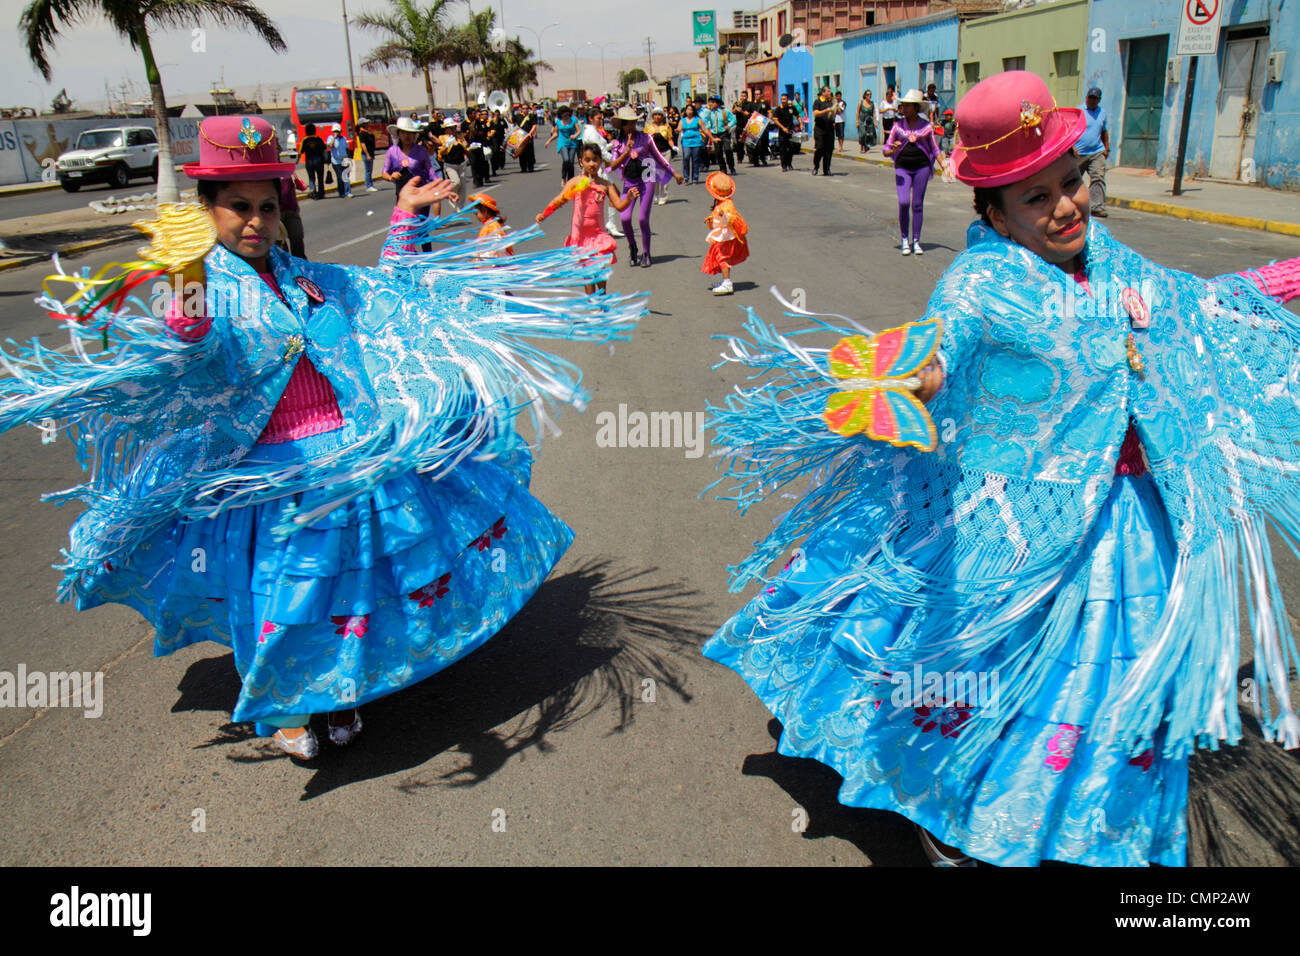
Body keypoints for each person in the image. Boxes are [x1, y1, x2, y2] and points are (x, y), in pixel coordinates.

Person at [702, 68, 1300, 868]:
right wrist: (914, 378)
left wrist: (1285, 281)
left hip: (1126, 519)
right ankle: (947, 813)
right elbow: (941, 348)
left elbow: (1200, 306)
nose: (1067, 207)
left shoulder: (1114, 261)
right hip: (1017, 527)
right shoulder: (981, 282)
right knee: (983, 678)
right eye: (1036, 197)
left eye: (1072, 181)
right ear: (993, 212)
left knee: (1091, 689)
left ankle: (1073, 813)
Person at [2, 115, 647, 761]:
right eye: (237, 208)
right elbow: (187, 341)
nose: (254, 221)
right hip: (272, 473)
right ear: (207, 211)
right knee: (289, 594)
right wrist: (188, 277)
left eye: (265, 207)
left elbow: (384, 299)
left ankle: (336, 691)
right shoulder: (200, 281)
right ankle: (287, 706)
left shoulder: (304, 276)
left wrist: (404, 218)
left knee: (350, 592)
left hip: (352, 454)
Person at [536, 142, 640, 294]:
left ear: (601, 162)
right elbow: (559, 200)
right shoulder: (576, 182)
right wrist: (544, 214)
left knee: (599, 269)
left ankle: (602, 298)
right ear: (581, 161)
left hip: (598, 236)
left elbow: (619, 206)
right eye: (588, 160)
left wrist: (629, 198)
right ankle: (592, 304)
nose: (592, 163)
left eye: (595, 160)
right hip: (580, 237)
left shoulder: (605, 185)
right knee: (587, 273)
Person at [610, 105, 684, 267]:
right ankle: (632, 247)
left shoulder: (646, 138)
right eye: (626, 123)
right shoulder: (617, 143)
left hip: (646, 179)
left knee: (643, 218)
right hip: (629, 183)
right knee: (625, 217)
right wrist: (626, 151)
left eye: (632, 122)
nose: (630, 126)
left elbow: (659, 157)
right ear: (621, 125)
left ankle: (646, 252)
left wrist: (674, 173)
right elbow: (612, 166)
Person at [882, 88, 940, 255]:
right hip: (903, 168)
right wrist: (893, 149)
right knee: (904, 202)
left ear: (915, 107)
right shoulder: (897, 126)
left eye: (907, 106)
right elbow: (886, 149)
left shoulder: (927, 127)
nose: (904, 109)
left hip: (921, 167)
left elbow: (934, 149)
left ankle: (916, 240)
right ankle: (904, 239)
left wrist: (946, 167)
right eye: (903, 106)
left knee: (917, 204)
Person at [579, 107, 624, 238]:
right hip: (597, 170)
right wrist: (619, 160)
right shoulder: (592, 133)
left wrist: (613, 146)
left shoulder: (593, 131)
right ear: (591, 118)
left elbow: (602, 148)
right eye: (598, 118)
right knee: (610, 194)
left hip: (600, 168)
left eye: (601, 118)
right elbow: (600, 153)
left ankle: (609, 224)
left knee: (606, 196)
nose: (601, 120)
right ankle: (606, 225)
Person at [701, 171, 748, 296]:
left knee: (722, 258)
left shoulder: (726, 205)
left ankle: (727, 282)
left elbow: (730, 217)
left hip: (725, 237)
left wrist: (724, 216)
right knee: (720, 257)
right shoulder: (722, 203)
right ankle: (724, 280)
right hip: (722, 235)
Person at [1077, 86, 1110, 218]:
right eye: (1090, 97)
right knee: (1073, 180)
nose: (1092, 101)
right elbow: (1069, 130)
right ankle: (1075, 205)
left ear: (1099, 100)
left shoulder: (1102, 113)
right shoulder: (1079, 111)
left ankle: (1096, 206)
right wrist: (1071, 147)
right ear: (1086, 98)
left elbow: (1104, 131)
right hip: (1078, 153)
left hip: (1096, 151)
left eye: (1095, 99)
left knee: (1098, 177)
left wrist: (1106, 148)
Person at [644, 108, 677, 205]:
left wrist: (673, 147)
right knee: (653, 175)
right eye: (655, 114)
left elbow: (670, 139)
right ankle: (655, 195)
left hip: (665, 152)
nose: (657, 117)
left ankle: (663, 196)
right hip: (653, 153)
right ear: (653, 116)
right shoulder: (648, 128)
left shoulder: (666, 127)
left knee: (664, 174)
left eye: (659, 114)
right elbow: (645, 140)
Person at [467, 191, 513, 257]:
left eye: (476, 214)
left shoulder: (492, 225)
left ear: (484, 210)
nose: (476, 217)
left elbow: (497, 248)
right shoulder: (491, 223)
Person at [544, 104, 580, 183]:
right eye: (564, 115)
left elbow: (578, 131)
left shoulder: (573, 120)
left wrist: (575, 135)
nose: (566, 117)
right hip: (562, 143)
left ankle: (570, 180)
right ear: (561, 115)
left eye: (567, 115)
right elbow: (556, 134)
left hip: (572, 143)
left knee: (571, 162)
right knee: (566, 160)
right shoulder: (559, 122)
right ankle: (563, 177)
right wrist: (548, 141)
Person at [677, 102, 709, 185]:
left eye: (691, 109)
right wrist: (677, 130)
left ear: (693, 111)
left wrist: (712, 137)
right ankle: (686, 177)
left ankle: (695, 178)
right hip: (686, 142)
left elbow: (705, 129)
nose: (689, 111)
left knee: (695, 160)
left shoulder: (698, 119)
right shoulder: (682, 120)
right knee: (686, 158)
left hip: (696, 142)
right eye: (688, 109)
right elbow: (679, 128)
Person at [811, 86, 836, 176]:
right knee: (819, 148)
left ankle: (827, 169)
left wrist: (836, 110)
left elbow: (834, 112)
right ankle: (816, 166)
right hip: (819, 129)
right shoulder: (818, 102)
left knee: (829, 150)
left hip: (829, 129)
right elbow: (816, 113)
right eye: (828, 91)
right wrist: (826, 110)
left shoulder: (830, 102)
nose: (830, 93)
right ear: (823, 93)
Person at [298, 122, 326, 199]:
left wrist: (296, 161)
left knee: (311, 178)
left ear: (306, 131)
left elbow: (300, 151)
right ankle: (321, 194)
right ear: (314, 130)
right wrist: (326, 160)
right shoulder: (318, 139)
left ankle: (313, 192)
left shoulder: (305, 140)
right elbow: (324, 149)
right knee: (320, 178)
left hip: (309, 161)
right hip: (319, 161)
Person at [771, 94, 796, 171]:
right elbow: (775, 120)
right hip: (782, 132)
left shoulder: (791, 108)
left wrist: (801, 123)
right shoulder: (778, 109)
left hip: (790, 130)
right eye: (782, 99)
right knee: (783, 149)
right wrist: (783, 128)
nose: (783, 101)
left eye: (784, 99)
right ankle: (784, 165)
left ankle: (789, 163)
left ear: (787, 99)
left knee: (791, 148)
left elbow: (797, 115)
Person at [327, 126, 351, 198]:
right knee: (340, 177)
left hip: (344, 159)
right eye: (335, 131)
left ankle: (348, 192)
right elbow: (330, 146)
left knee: (346, 176)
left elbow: (346, 148)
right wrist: (334, 138)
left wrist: (349, 158)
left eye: (337, 131)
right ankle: (341, 192)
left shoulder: (343, 138)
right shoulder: (330, 138)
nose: (336, 133)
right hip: (336, 161)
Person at [357, 121, 377, 191]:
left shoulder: (368, 132)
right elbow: (363, 145)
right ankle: (369, 186)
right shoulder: (362, 134)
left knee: (370, 170)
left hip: (371, 153)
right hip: (366, 154)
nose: (368, 124)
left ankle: (370, 184)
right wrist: (367, 155)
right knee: (368, 170)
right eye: (366, 123)